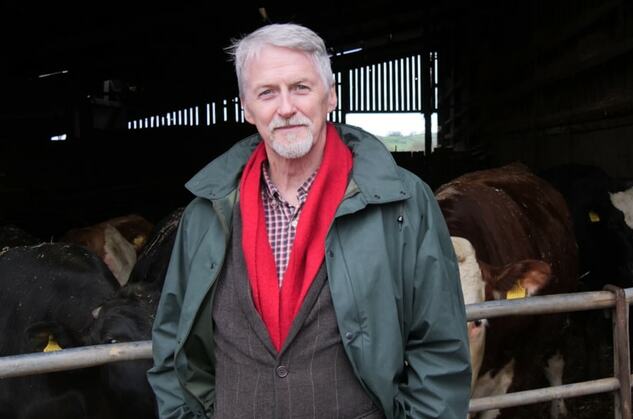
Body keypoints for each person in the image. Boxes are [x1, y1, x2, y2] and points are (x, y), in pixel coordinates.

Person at [147, 23, 470, 419]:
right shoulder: (205, 213)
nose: (286, 108)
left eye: (301, 87)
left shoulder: (402, 204)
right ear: (247, 109)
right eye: (267, 92)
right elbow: (171, 344)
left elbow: (440, 348)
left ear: (330, 97)